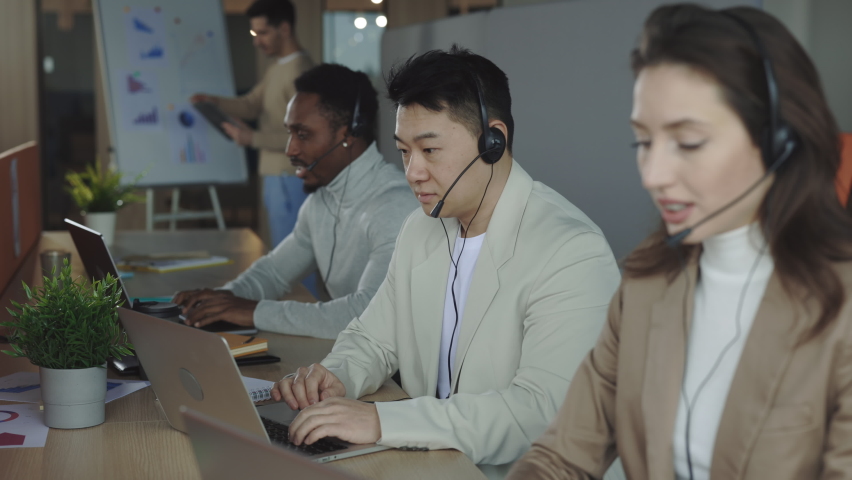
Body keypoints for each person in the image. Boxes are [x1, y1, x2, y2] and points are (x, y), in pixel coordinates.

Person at [507, 5, 852, 480]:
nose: (653, 175)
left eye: (688, 142)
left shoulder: (840, 308)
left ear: (778, 142)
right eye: (643, 142)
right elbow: (560, 457)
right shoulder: (647, 285)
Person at [268, 45, 621, 476]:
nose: (412, 172)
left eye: (429, 150)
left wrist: (381, 421)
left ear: (493, 141)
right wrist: (336, 376)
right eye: (403, 151)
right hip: (429, 463)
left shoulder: (571, 251)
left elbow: (539, 413)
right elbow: (374, 339)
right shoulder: (422, 228)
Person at [173, 64, 418, 339]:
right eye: (289, 133)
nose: (290, 149)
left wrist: (253, 311)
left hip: (399, 377)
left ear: (349, 134)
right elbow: (274, 273)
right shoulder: (320, 202)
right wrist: (222, 300)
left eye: (302, 134)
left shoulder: (395, 207)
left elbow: (368, 313)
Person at [191, 0, 313, 248]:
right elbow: (251, 104)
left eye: (263, 33)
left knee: (292, 258)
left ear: (285, 29)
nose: (257, 41)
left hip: (289, 175)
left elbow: (306, 136)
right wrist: (213, 101)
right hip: (275, 175)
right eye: (254, 33)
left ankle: (303, 291)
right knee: (282, 253)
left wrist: (252, 138)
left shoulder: (300, 71)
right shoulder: (278, 67)